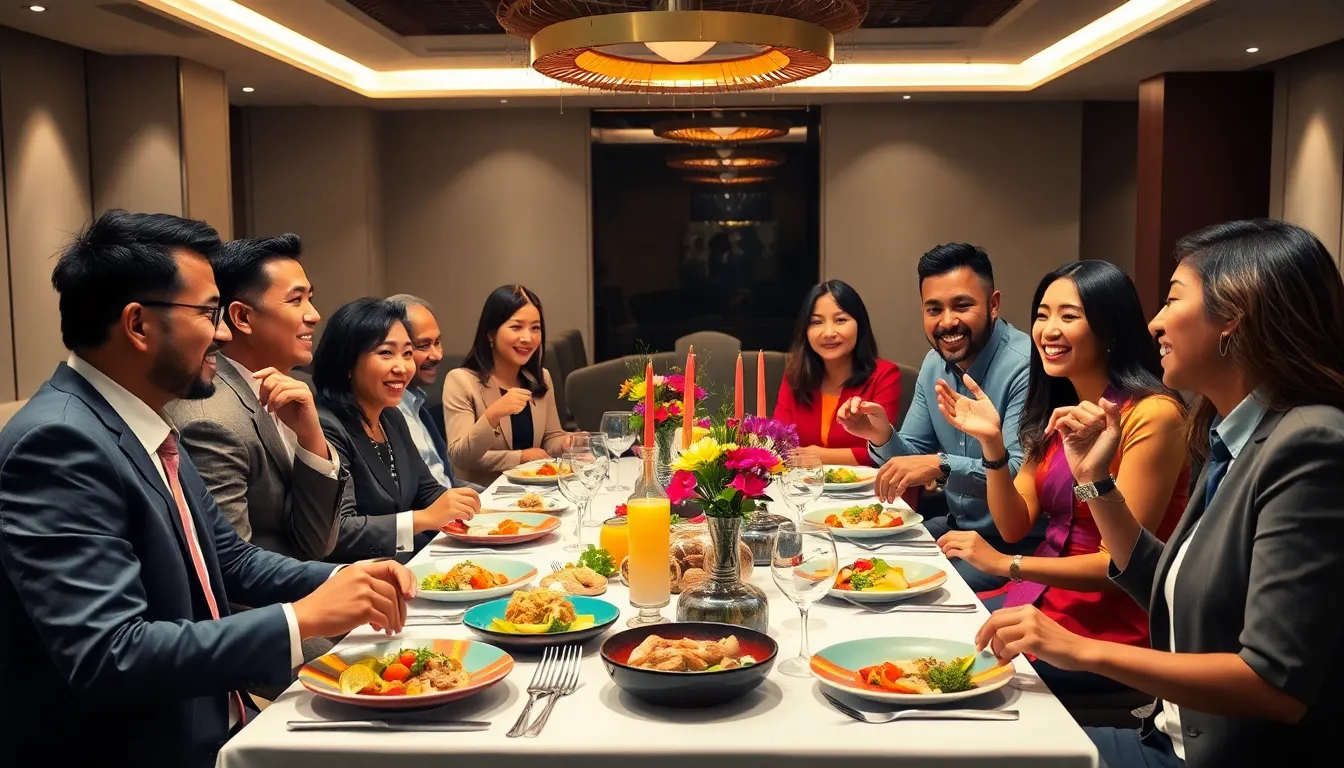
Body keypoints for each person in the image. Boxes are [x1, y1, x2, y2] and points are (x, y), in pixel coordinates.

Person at [0, 210, 415, 767]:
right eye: (208, 313)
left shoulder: (141, 420)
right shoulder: (59, 442)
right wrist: (301, 619)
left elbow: (229, 558)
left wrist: (345, 578)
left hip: (214, 721)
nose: (222, 333)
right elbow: (110, 654)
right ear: (138, 325)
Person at [975, 220, 1344, 768]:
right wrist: (1096, 481)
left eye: (1173, 299)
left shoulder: (1310, 442)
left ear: (1234, 315)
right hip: (1164, 733)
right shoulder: (1229, 430)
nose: (1156, 322)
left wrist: (1081, 650)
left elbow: (1274, 684)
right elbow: (1165, 583)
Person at [932, 260, 1188, 694]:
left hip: (1109, 624)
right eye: (1042, 315)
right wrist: (992, 443)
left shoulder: (1153, 414)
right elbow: (1013, 526)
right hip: (1043, 599)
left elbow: (1123, 563)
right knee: (931, 641)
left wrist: (1005, 565)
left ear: (1109, 327)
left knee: (955, 675)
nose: (1049, 330)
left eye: (1069, 316)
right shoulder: (1059, 408)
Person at [836, 243, 1043, 590]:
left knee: (898, 588)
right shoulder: (934, 363)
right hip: (955, 528)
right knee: (850, 559)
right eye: (934, 309)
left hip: (1014, 548)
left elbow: (1014, 477)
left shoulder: (1027, 366)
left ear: (993, 305)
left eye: (962, 305)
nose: (947, 322)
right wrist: (881, 435)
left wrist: (942, 465)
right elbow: (914, 460)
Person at [167, 234, 346, 562]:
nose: (314, 315)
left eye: (310, 298)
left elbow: (318, 543)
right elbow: (233, 569)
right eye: (296, 300)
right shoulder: (212, 418)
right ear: (242, 318)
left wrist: (311, 438)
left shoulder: (295, 389)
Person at [313, 298, 479, 560]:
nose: (402, 368)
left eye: (408, 353)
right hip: (361, 573)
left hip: (408, 559)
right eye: (386, 353)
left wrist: (471, 509)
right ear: (346, 362)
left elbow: (426, 490)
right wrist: (423, 519)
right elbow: (338, 531)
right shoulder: (326, 426)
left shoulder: (391, 416)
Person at [443, 285, 572, 487]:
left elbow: (550, 438)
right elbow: (460, 457)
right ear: (490, 333)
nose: (528, 338)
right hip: (484, 495)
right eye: (516, 327)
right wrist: (495, 416)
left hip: (537, 493)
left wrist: (568, 443)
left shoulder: (541, 378)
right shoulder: (461, 381)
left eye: (535, 328)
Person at [773, 280, 902, 466]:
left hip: (864, 484)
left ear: (860, 325)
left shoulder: (885, 375)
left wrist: (818, 456)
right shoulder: (795, 376)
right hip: (801, 482)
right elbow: (778, 443)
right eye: (816, 322)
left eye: (840, 320)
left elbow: (883, 452)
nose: (828, 333)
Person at [385, 294, 483, 493]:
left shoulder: (416, 403)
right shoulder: (384, 411)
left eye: (437, 342)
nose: (437, 355)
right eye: (423, 345)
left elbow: (445, 481)